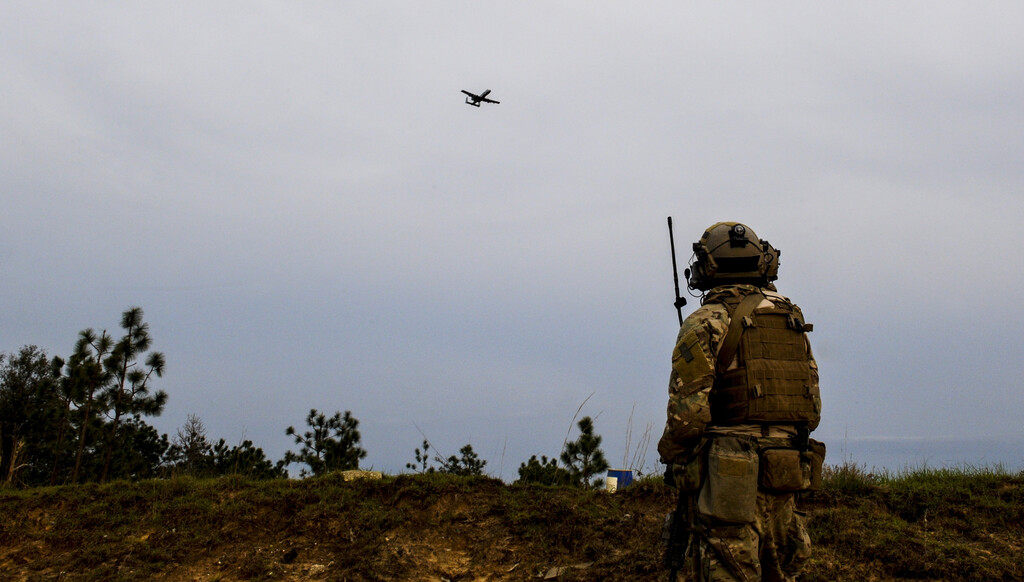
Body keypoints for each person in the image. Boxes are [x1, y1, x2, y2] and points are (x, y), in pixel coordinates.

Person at [658, 222, 824, 582]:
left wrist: (671, 455)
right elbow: (811, 410)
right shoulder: (789, 317)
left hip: (728, 477)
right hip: (786, 472)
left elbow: (688, 418)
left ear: (707, 268)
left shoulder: (706, 321)